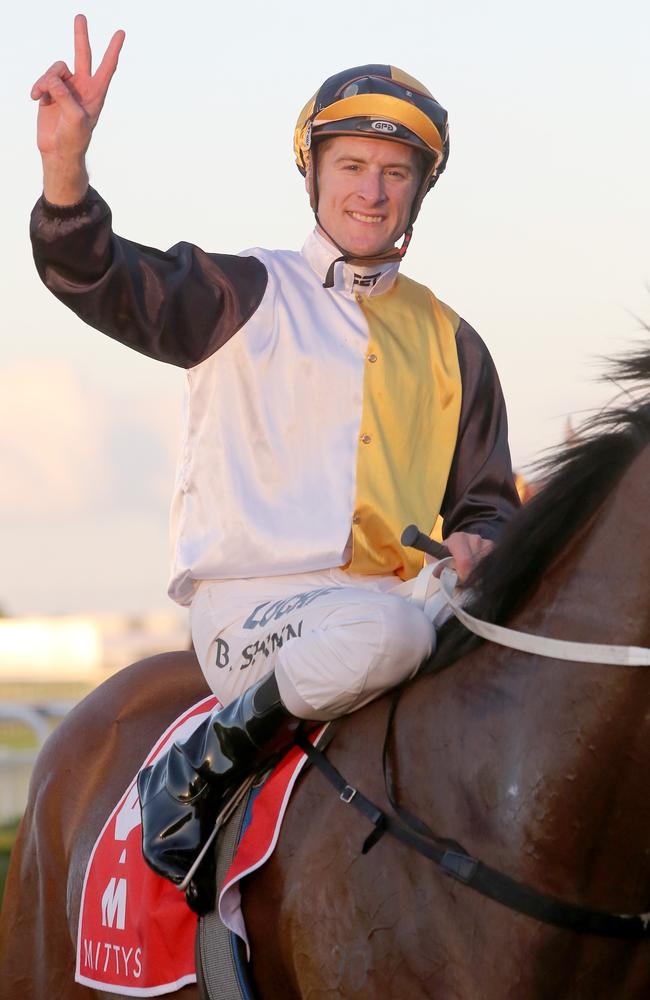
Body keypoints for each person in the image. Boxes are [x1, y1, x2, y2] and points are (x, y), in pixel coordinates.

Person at [30, 16, 520, 912]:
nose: (372, 191)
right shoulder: (238, 293)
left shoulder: (458, 343)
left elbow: (488, 505)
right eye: (352, 167)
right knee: (389, 635)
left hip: (405, 607)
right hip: (255, 615)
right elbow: (93, 273)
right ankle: (199, 763)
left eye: (395, 173)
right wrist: (67, 172)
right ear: (314, 176)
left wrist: (482, 546)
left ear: (418, 194)